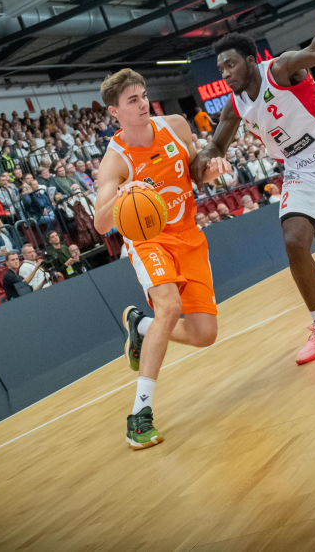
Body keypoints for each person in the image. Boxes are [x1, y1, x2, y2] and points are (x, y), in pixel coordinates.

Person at [196, 0, 315, 368]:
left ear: (251, 61)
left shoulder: (280, 69)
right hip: (301, 167)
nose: (224, 73)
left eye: (230, 64)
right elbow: (216, 145)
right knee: (293, 240)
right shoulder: (234, 105)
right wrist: (202, 162)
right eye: (220, 68)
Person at [95, 68, 226, 449]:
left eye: (143, 95)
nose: (143, 103)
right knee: (169, 308)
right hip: (148, 239)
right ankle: (140, 414)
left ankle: (139, 327)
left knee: (205, 335)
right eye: (132, 100)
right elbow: (102, 224)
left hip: (189, 236)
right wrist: (123, 194)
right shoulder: (115, 162)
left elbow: (196, 171)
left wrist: (211, 170)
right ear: (114, 112)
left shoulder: (175, 126)